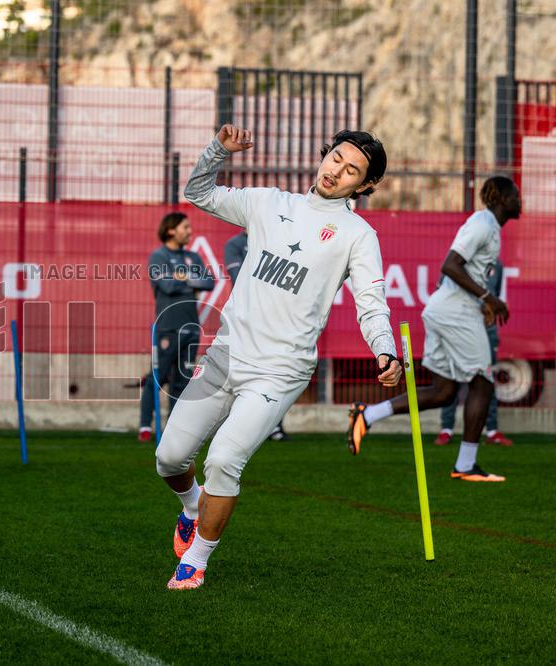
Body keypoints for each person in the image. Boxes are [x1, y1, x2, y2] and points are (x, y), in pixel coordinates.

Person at [157, 124, 401, 590]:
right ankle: (192, 507)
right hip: (226, 354)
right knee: (169, 459)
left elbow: (371, 302)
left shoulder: (358, 235)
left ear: (365, 186)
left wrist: (385, 349)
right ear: (325, 153)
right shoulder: (270, 202)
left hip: (281, 369)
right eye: (336, 158)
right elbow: (197, 192)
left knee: (225, 459)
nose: (337, 171)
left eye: (353, 170)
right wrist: (218, 151)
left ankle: (196, 561)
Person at [348, 177, 521, 482]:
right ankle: (466, 465)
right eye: (516, 195)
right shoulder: (482, 222)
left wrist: (483, 303)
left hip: (448, 310)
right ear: (504, 198)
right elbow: (450, 264)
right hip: (455, 313)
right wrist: (489, 297)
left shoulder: (491, 227)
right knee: (482, 381)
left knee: (444, 392)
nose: (520, 201)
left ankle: (367, 414)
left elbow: (460, 273)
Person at [138, 212, 215, 442]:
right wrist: (189, 280)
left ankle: (173, 426)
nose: (189, 232)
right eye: (185, 227)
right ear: (171, 230)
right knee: (158, 376)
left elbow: (209, 281)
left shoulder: (193, 256)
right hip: (168, 327)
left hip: (191, 327)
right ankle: (145, 426)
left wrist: (182, 277)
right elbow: (167, 286)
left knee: (183, 379)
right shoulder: (158, 256)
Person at [436, 258, 512, 447]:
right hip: (458, 328)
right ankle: (446, 429)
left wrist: (490, 307)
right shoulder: (456, 263)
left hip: (486, 330)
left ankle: (491, 430)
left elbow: (494, 296)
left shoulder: (497, 265)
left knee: (486, 381)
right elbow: (442, 295)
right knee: (451, 378)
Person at [223, 229, 289, 442]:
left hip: (273, 316)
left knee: (275, 369)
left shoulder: (275, 239)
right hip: (246, 317)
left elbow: (285, 279)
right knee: (242, 370)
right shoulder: (234, 244)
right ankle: (240, 424)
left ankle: (274, 425)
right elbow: (239, 277)